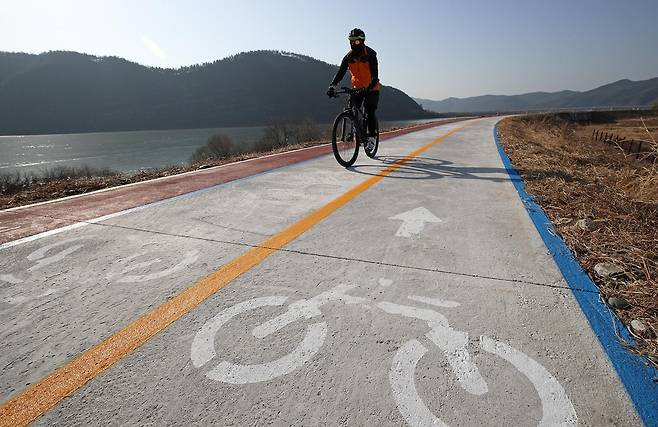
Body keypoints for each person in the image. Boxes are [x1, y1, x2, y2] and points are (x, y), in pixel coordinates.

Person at [327, 28, 381, 151]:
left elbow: (375, 76)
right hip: (357, 88)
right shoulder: (348, 57)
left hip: (371, 88)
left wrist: (369, 86)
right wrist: (332, 85)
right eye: (351, 41)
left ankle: (372, 137)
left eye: (356, 41)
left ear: (362, 41)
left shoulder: (371, 54)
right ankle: (356, 130)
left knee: (369, 110)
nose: (353, 44)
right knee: (352, 108)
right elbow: (340, 73)